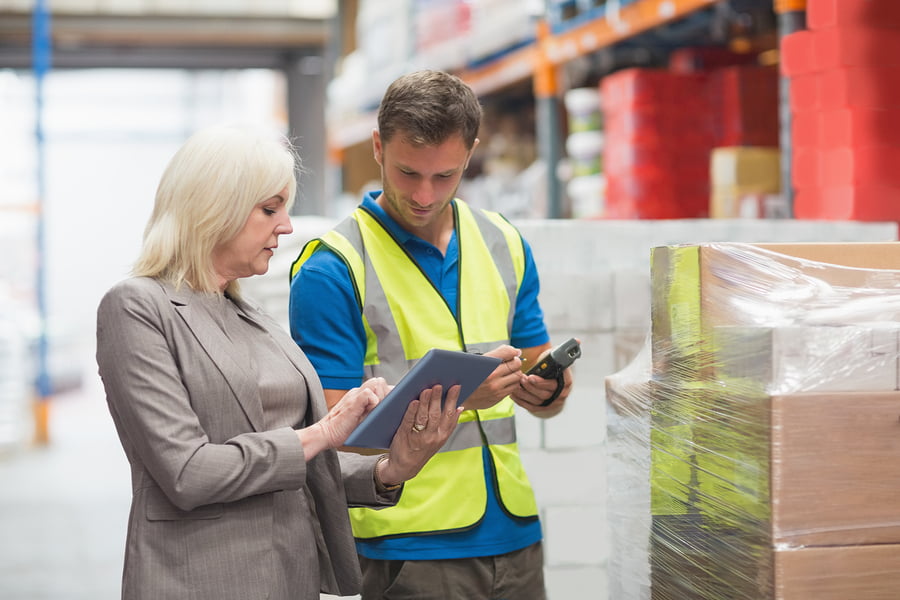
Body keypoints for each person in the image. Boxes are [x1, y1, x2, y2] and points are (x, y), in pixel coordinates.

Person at [95, 124, 462, 600]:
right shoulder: (137, 307)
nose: (286, 226)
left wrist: (391, 469)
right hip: (199, 580)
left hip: (290, 575)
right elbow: (187, 472)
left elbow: (302, 466)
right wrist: (324, 432)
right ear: (213, 208)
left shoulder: (251, 316)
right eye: (269, 209)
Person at [288, 70, 574, 600]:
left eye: (445, 176)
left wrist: (550, 388)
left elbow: (542, 389)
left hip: (514, 534)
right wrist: (465, 397)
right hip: (409, 546)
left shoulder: (503, 242)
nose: (423, 194)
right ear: (378, 147)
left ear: (471, 155)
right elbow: (334, 436)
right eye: (408, 173)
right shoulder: (332, 270)